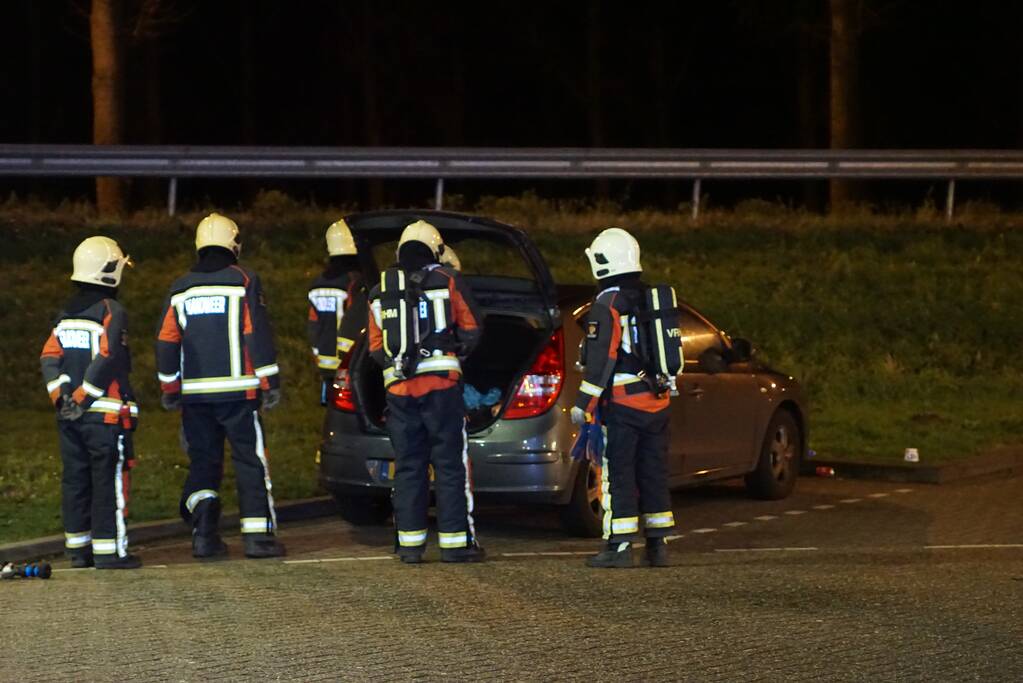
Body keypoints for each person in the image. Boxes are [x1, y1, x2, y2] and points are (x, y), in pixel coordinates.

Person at [156, 213, 285, 559]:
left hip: (195, 397)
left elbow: (167, 341)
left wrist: (170, 388)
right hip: (240, 394)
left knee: (204, 463)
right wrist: (269, 381)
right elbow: (254, 332)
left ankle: (204, 535)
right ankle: (258, 538)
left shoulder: (180, 287)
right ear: (234, 244)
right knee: (250, 460)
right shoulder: (244, 279)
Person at [366, 220, 484, 563]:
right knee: (449, 465)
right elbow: (473, 328)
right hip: (441, 387)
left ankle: (410, 546)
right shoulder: (448, 280)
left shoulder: (379, 290)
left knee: (408, 466)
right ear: (435, 250)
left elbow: (375, 348)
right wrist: (452, 353)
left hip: (400, 391)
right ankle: (455, 545)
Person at [571, 227, 678, 568]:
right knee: (653, 472)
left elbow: (603, 359)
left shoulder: (608, 304)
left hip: (623, 403)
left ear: (601, 263)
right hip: (657, 400)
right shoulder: (650, 298)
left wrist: (583, 405)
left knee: (618, 475)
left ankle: (618, 548)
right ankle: (658, 547)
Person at [40, 236, 141, 569]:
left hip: (69, 419)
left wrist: (61, 399)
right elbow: (108, 357)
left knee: (75, 480)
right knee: (106, 483)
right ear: (110, 271)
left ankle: (78, 550)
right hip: (104, 418)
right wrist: (83, 398)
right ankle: (110, 552)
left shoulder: (64, 314)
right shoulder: (112, 311)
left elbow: (49, 357)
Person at [307, 219, 368, 403]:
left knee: (332, 409)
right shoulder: (354, 282)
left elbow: (312, 324)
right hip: (348, 361)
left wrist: (318, 354)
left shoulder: (317, 283)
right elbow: (358, 321)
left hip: (325, 363)